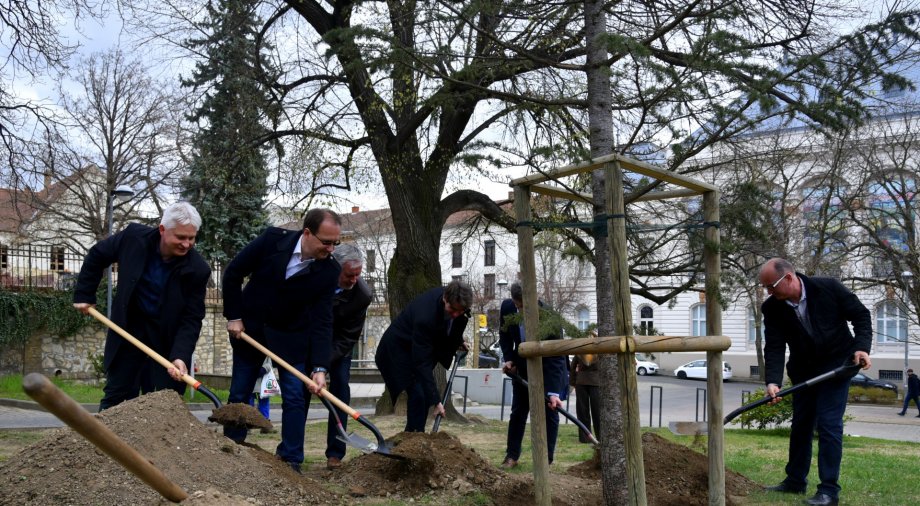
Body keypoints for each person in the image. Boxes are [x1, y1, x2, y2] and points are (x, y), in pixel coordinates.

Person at [222, 208, 342, 473]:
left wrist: (320, 367)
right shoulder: (271, 240)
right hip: (250, 330)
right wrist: (234, 316)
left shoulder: (329, 271)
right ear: (307, 233)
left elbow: (323, 320)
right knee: (239, 393)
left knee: (295, 398)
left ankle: (291, 459)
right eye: (326, 242)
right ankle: (230, 449)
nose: (331, 248)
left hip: (291, 338)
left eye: (336, 243)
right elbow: (233, 273)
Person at [73, 202, 210, 411]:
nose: (187, 244)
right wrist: (85, 294)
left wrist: (180, 356)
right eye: (181, 237)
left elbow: (191, 318)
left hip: (166, 343)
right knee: (116, 400)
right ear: (162, 229)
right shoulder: (133, 238)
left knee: (165, 408)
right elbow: (98, 255)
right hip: (128, 332)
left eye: (192, 238)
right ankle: (103, 443)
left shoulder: (197, 270)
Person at [759, 258, 872, 506]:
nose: (768, 292)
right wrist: (773, 381)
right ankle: (795, 481)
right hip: (804, 372)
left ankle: (828, 491)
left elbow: (861, 316)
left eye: (771, 286)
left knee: (829, 426)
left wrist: (861, 348)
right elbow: (775, 346)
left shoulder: (828, 288)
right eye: (765, 288)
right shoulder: (773, 308)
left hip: (836, 368)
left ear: (788, 278)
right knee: (801, 425)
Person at [375, 280, 472, 432]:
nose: (455, 314)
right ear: (445, 298)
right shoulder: (425, 317)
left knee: (423, 395)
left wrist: (457, 341)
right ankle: (414, 439)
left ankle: (413, 436)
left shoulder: (456, 305)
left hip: (414, 347)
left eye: (460, 311)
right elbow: (422, 363)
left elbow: (449, 326)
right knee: (419, 394)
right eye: (452, 309)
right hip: (396, 351)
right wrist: (437, 401)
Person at [499, 282, 568, 468]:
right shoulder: (507, 308)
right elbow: (504, 335)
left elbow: (557, 356)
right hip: (522, 368)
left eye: (526, 306)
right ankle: (512, 456)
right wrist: (509, 359)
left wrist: (553, 392)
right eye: (519, 306)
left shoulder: (550, 318)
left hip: (548, 369)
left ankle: (547, 460)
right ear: (514, 301)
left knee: (550, 415)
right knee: (518, 413)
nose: (522, 311)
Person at [324, 244, 372, 470]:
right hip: (309, 340)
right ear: (335, 268)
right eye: (349, 274)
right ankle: (291, 452)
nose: (354, 279)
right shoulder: (318, 279)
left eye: (358, 274)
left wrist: (323, 366)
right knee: (300, 392)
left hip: (338, 347)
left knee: (340, 389)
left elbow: (348, 337)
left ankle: (335, 453)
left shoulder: (361, 295)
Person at [571, 354, 601, 444]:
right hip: (596, 382)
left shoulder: (580, 351)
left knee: (582, 411)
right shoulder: (601, 350)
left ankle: (585, 437)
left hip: (581, 381)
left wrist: (573, 382)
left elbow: (572, 367)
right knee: (597, 411)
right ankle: (600, 436)